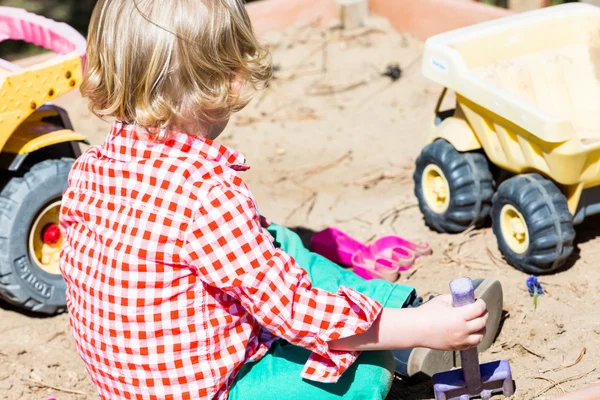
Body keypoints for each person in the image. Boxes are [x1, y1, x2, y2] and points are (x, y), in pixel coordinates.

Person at [59, 1, 504, 399]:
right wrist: (422, 330)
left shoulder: (88, 169)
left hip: (134, 382)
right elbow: (294, 309)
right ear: (226, 80)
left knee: (275, 241)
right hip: (219, 386)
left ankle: (399, 313)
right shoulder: (206, 193)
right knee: (366, 372)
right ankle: (409, 331)